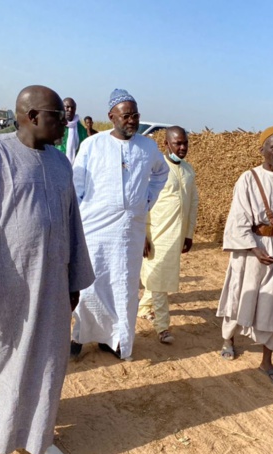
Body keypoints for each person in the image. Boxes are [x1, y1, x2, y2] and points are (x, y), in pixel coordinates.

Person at [0, 85, 94, 454]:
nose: (64, 123)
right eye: (57, 116)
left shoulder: (61, 165)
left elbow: (73, 224)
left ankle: (38, 435)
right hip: (3, 284)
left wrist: (74, 279)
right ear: (31, 117)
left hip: (51, 285)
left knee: (48, 358)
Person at [70, 89, 168, 360]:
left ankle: (114, 339)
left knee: (123, 286)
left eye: (135, 115)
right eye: (126, 116)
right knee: (91, 284)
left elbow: (161, 173)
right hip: (95, 228)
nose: (132, 121)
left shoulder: (148, 147)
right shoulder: (92, 145)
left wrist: (145, 201)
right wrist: (75, 224)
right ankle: (80, 335)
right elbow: (77, 186)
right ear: (111, 116)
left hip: (128, 231)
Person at [216, 126, 273, 385]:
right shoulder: (248, 179)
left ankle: (267, 362)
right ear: (262, 149)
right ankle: (228, 339)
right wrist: (254, 248)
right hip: (249, 249)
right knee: (240, 294)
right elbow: (238, 218)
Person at [139, 126, 198, 344]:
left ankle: (144, 307)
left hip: (177, 235)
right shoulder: (155, 169)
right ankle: (162, 327)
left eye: (185, 143)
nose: (182, 148)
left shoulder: (189, 170)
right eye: (177, 143)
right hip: (156, 235)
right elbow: (142, 203)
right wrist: (142, 234)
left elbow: (193, 203)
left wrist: (189, 234)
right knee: (159, 279)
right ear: (167, 145)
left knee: (157, 278)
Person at [55, 97, 87, 165]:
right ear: (62, 108)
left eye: (72, 108)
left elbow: (84, 149)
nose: (70, 110)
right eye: (67, 107)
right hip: (57, 163)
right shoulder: (55, 126)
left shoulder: (81, 130)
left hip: (76, 166)